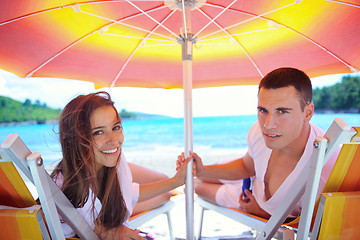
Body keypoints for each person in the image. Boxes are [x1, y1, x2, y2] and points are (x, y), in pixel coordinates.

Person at [178, 67, 338, 220]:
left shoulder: (323, 170)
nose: (268, 125)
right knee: (195, 177)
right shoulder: (260, 132)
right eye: (263, 110)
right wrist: (202, 170)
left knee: (196, 186)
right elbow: (247, 166)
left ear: (308, 112)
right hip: (252, 183)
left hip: (254, 205)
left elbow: (311, 229)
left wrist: (259, 212)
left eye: (282, 111)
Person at [51, 91, 190, 240]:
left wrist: (176, 181)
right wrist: (107, 231)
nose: (114, 140)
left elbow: (128, 192)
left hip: (110, 213)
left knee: (165, 195)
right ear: (76, 139)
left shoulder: (113, 163)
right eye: (98, 132)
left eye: (116, 127)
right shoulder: (64, 190)